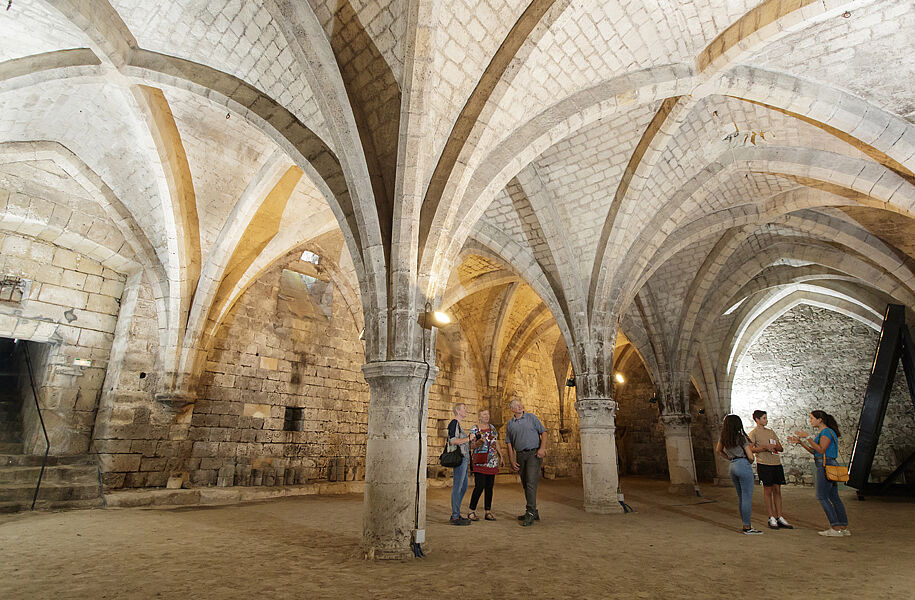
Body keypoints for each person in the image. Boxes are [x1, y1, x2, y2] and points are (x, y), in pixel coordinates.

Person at [788, 410, 849, 537]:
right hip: (827, 463)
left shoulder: (826, 432)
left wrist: (808, 437)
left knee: (821, 496)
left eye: (812, 418)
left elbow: (821, 450)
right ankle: (842, 526)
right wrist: (801, 442)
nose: (810, 421)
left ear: (819, 419)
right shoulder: (826, 432)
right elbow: (815, 451)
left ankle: (835, 527)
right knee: (834, 496)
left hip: (825, 465)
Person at [716, 414, 761, 534]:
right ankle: (747, 526)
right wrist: (748, 461)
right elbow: (750, 456)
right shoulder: (741, 438)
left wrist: (729, 458)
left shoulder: (724, 438)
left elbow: (718, 450)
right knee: (747, 497)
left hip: (733, 465)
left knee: (741, 497)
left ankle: (745, 524)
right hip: (742, 464)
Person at [505, 399, 548, 526]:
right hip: (520, 455)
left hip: (533, 454)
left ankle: (529, 512)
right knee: (525, 483)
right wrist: (511, 460)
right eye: (516, 406)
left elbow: (544, 432)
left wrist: (542, 448)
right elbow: (509, 443)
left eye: (520, 404)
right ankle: (533, 511)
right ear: (512, 409)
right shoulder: (510, 424)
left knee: (530, 482)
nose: (520, 407)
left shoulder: (531, 418)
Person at [748, 410, 793, 530]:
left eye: (766, 418)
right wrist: (764, 448)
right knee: (767, 490)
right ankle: (771, 516)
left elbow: (780, 448)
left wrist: (775, 447)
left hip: (776, 463)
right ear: (757, 420)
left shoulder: (771, 432)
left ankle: (779, 516)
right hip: (764, 464)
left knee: (777, 489)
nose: (766, 420)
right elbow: (750, 449)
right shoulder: (753, 433)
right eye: (764, 418)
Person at [467, 409, 506, 521]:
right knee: (479, 486)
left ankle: (487, 512)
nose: (487, 416)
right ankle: (471, 511)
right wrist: (479, 443)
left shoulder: (492, 428)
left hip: (492, 461)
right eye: (484, 414)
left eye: (488, 414)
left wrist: (501, 456)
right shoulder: (475, 429)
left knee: (489, 487)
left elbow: (495, 442)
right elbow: (471, 446)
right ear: (479, 417)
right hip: (480, 461)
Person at [447, 403, 478, 526]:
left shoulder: (458, 425)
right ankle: (455, 516)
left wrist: (472, 441)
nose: (466, 410)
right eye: (464, 408)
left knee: (464, 487)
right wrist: (468, 438)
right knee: (458, 487)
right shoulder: (454, 423)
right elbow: (453, 440)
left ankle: (456, 512)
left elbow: (462, 442)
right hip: (460, 459)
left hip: (464, 459)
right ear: (458, 411)